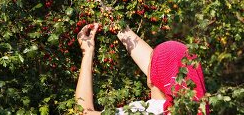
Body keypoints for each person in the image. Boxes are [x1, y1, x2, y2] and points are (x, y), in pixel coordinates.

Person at [75, 23, 208, 115]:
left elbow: (82, 112)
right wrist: (115, 23)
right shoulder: (195, 108)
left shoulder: (147, 111)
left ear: (151, 78)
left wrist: (87, 52)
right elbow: (162, 68)